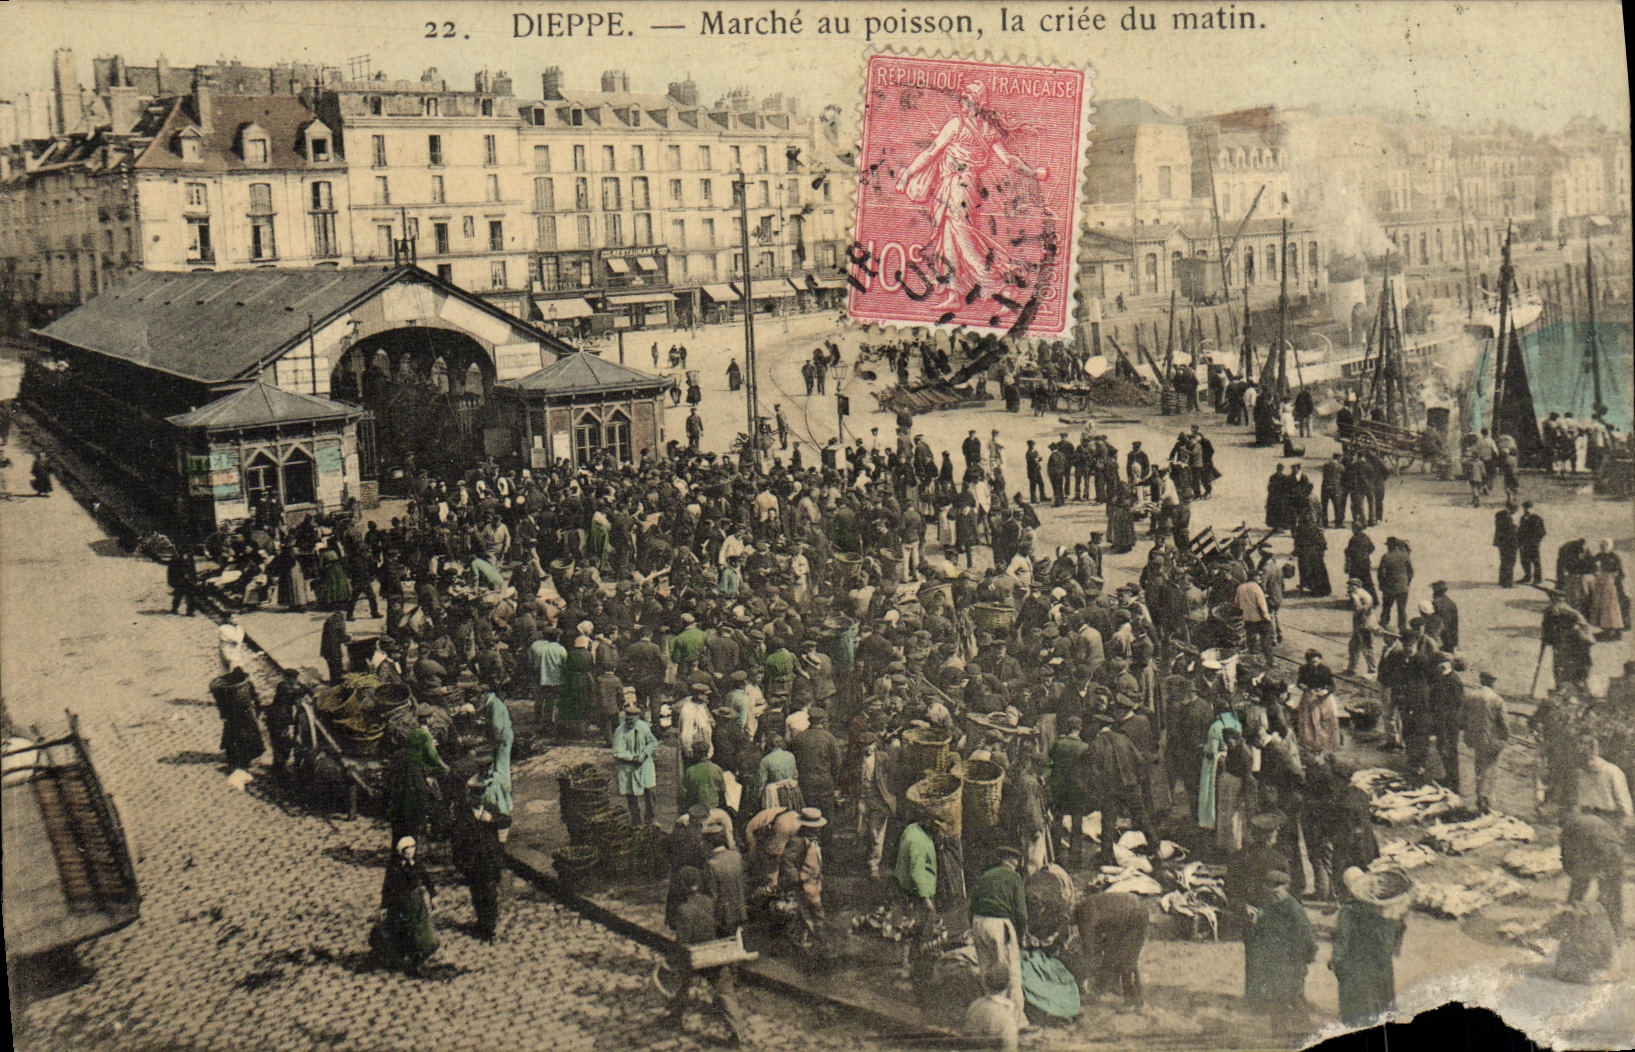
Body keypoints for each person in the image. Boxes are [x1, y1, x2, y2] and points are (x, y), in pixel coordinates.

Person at [892, 79, 1046, 310]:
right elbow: (1009, 160)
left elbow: (931, 153)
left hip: (958, 188)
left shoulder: (957, 124)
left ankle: (1003, 285)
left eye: (967, 99)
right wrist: (1033, 172)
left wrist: (906, 176)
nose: (963, 104)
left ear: (976, 102)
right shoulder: (988, 129)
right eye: (962, 99)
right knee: (948, 240)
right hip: (961, 188)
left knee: (965, 241)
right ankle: (955, 295)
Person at [663, 865, 746, 1044]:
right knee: (726, 993)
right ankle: (738, 1031)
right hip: (714, 954)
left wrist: (672, 959)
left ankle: (674, 1016)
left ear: (683, 886)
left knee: (683, 985)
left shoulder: (683, 910)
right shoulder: (709, 902)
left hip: (696, 957)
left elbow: (683, 941)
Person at [1330, 867, 1408, 1026]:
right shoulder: (1385, 908)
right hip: (1382, 964)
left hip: (1357, 965)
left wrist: (1336, 962)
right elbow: (1399, 929)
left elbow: (1342, 941)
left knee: (1359, 1006)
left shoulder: (1348, 912)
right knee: (1383, 998)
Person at [1243, 868, 1317, 1033]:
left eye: (1277, 891)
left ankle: (1303, 1031)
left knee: (1294, 996)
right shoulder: (1268, 907)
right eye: (1270, 890)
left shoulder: (1293, 908)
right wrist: (1255, 921)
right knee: (1276, 1000)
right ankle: (1279, 1034)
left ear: (1285, 888)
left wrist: (1306, 958)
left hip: (1292, 963)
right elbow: (1260, 933)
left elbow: (1307, 937)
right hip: (1274, 963)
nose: (1273, 894)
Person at [968, 846, 1028, 1032]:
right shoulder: (1014, 878)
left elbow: (971, 906)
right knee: (1011, 974)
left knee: (987, 971)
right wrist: (1020, 936)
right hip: (999, 924)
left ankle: (987, 1017)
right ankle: (1017, 1021)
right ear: (1014, 862)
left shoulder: (985, 876)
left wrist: (974, 927)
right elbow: (1021, 913)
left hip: (978, 922)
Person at [375, 836, 438, 976]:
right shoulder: (395, 868)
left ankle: (416, 962)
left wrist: (433, 897)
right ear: (400, 852)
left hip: (416, 904)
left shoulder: (417, 865)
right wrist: (384, 907)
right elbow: (387, 888)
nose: (410, 852)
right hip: (400, 905)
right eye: (406, 850)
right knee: (404, 933)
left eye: (412, 848)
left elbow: (427, 882)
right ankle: (405, 960)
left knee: (426, 938)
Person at [1074, 890, 1148, 1006]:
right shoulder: (1087, 904)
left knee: (1127, 961)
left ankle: (1133, 1001)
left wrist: (1084, 975)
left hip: (1133, 915)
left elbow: (1091, 950)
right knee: (1112, 952)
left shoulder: (1084, 915)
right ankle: (1109, 987)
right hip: (1127, 914)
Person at [1463, 669, 1510, 813]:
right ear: (1492, 682)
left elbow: (1464, 718)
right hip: (1491, 740)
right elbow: (1504, 724)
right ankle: (1486, 802)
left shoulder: (1471, 696)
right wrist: (1504, 739)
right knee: (1489, 771)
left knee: (1478, 767)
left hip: (1476, 739)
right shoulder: (1497, 700)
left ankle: (1479, 798)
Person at [1048, 716, 1091, 864]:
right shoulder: (1085, 747)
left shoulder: (1058, 744)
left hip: (1059, 788)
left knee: (1057, 821)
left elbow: (1050, 759)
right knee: (1077, 824)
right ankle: (1075, 858)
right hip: (1077, 790)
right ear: (1079, 728)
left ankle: (1055, 855)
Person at [209, 667, 264, 773]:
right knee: (245, 736)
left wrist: (224, 716)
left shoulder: (226, 689)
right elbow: (255, 698)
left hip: (234, 716)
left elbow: (221, 705)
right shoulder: (246, 685)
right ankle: (244, 759)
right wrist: (257, 710)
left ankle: (237, 758)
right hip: (243, 715)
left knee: (235, 736)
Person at [613, 700, 659, 825]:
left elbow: (653, 742)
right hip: (628, 767)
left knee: (650, 792)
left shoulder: (644, 726)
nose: (630, 721)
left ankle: (650, 819)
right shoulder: (619, 731)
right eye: (628, 718)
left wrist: (644, 754)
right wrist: (632, 758)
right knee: (631, 795)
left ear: (638, 717)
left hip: (645, 765)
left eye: (633, 718)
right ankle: (636, 821)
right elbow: (617, 752)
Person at [964, 964, 1021, 1052]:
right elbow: (1010, 1047)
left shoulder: (974, 1007)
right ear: (1009, 985)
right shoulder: (1005, 1015)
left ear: (985, 984)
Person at [1376, 538, 1414, 631]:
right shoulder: (1405, 556)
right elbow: (1411, 572)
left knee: (1386, 607)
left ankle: (1384, 624)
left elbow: (1380, 573)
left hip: (1389, 587)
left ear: (1390, 546)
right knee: (1402, 609)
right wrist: (1407, 582)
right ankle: (1402, 628)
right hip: (1403, 588)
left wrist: (1382, 584)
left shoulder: (1386, 557)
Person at [1344, 578, 1378, 677]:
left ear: (1355, 586)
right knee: (1353, 646)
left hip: (1364, 625)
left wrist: (1354, 598)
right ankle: (1352, 668)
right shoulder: (1363, 593)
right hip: (1361, 624)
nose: (1349, 588)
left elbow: (1359, 609)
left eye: (1350, 586)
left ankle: (1372, 670)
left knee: (1367, 647)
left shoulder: (1358, 595)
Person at [1517, 502, 1547, 586]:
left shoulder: (1537, 518)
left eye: (1527, 508)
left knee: (1535, 560)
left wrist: (1536, 541)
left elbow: (1542, 532)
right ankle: (1527, 576)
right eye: (1524, 508)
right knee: (1524, 560)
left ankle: (1538, 578)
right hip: (1524, 543)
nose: (1525, 510)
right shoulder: (1523, 518)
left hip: (1533, 543)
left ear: (1531, 508)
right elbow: (1521, 531)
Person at [1493, 503, 1519, 588]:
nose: (1515, 512)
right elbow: (1509, 530)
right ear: (1512, 509)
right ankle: (1508, 583)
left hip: (1501, 542)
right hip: (1509, 543)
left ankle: (1502, 580)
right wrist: (1516, 528)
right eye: (1515, 510)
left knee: (1504, 561)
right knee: (1510, 562)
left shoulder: (1500, 515)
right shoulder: (1507, 517)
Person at [168, 547, 199, 616]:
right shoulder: (176, 559)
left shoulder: (190, 559)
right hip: (180, 580)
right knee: (178, 595)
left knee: (190, 596)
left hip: (188, 581)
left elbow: (192, 570)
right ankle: (174, 609)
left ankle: (190, 612)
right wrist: (172, 581)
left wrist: (194, 579)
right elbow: (171, 571)